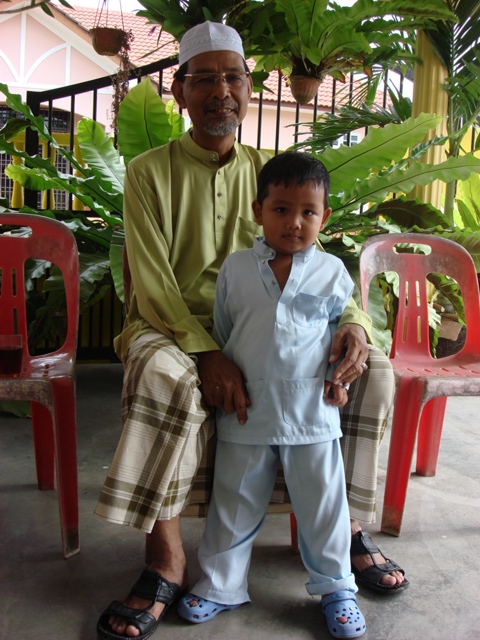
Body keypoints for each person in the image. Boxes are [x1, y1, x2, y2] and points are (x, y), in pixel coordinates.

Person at [95, 20, 407, 640]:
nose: (221, 92)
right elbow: (151, 285)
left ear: (248, 86)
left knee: (372, 372)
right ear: (180, 91)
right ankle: (165, 559)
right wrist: (208, 353)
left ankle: (345, 529)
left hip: (267, 325)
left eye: (233, 78)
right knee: (165, 378)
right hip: (170, 323)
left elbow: (322, 266)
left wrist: (354, 323)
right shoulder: (148, 173)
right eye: (204, 79)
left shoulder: (272, 175)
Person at [177, 151, 366, 639]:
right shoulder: (235, 269)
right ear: (258, 211)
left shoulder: (332, 271)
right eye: (281, 209)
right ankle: (219, 585)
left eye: (308, 212)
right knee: (233, 503)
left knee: (324, 507)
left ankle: (337, 588)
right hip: (248, 412)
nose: (294, 222)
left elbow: (342, 336)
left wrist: (341, 379)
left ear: (324, 217)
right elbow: (225, 333)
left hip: (313, 411)